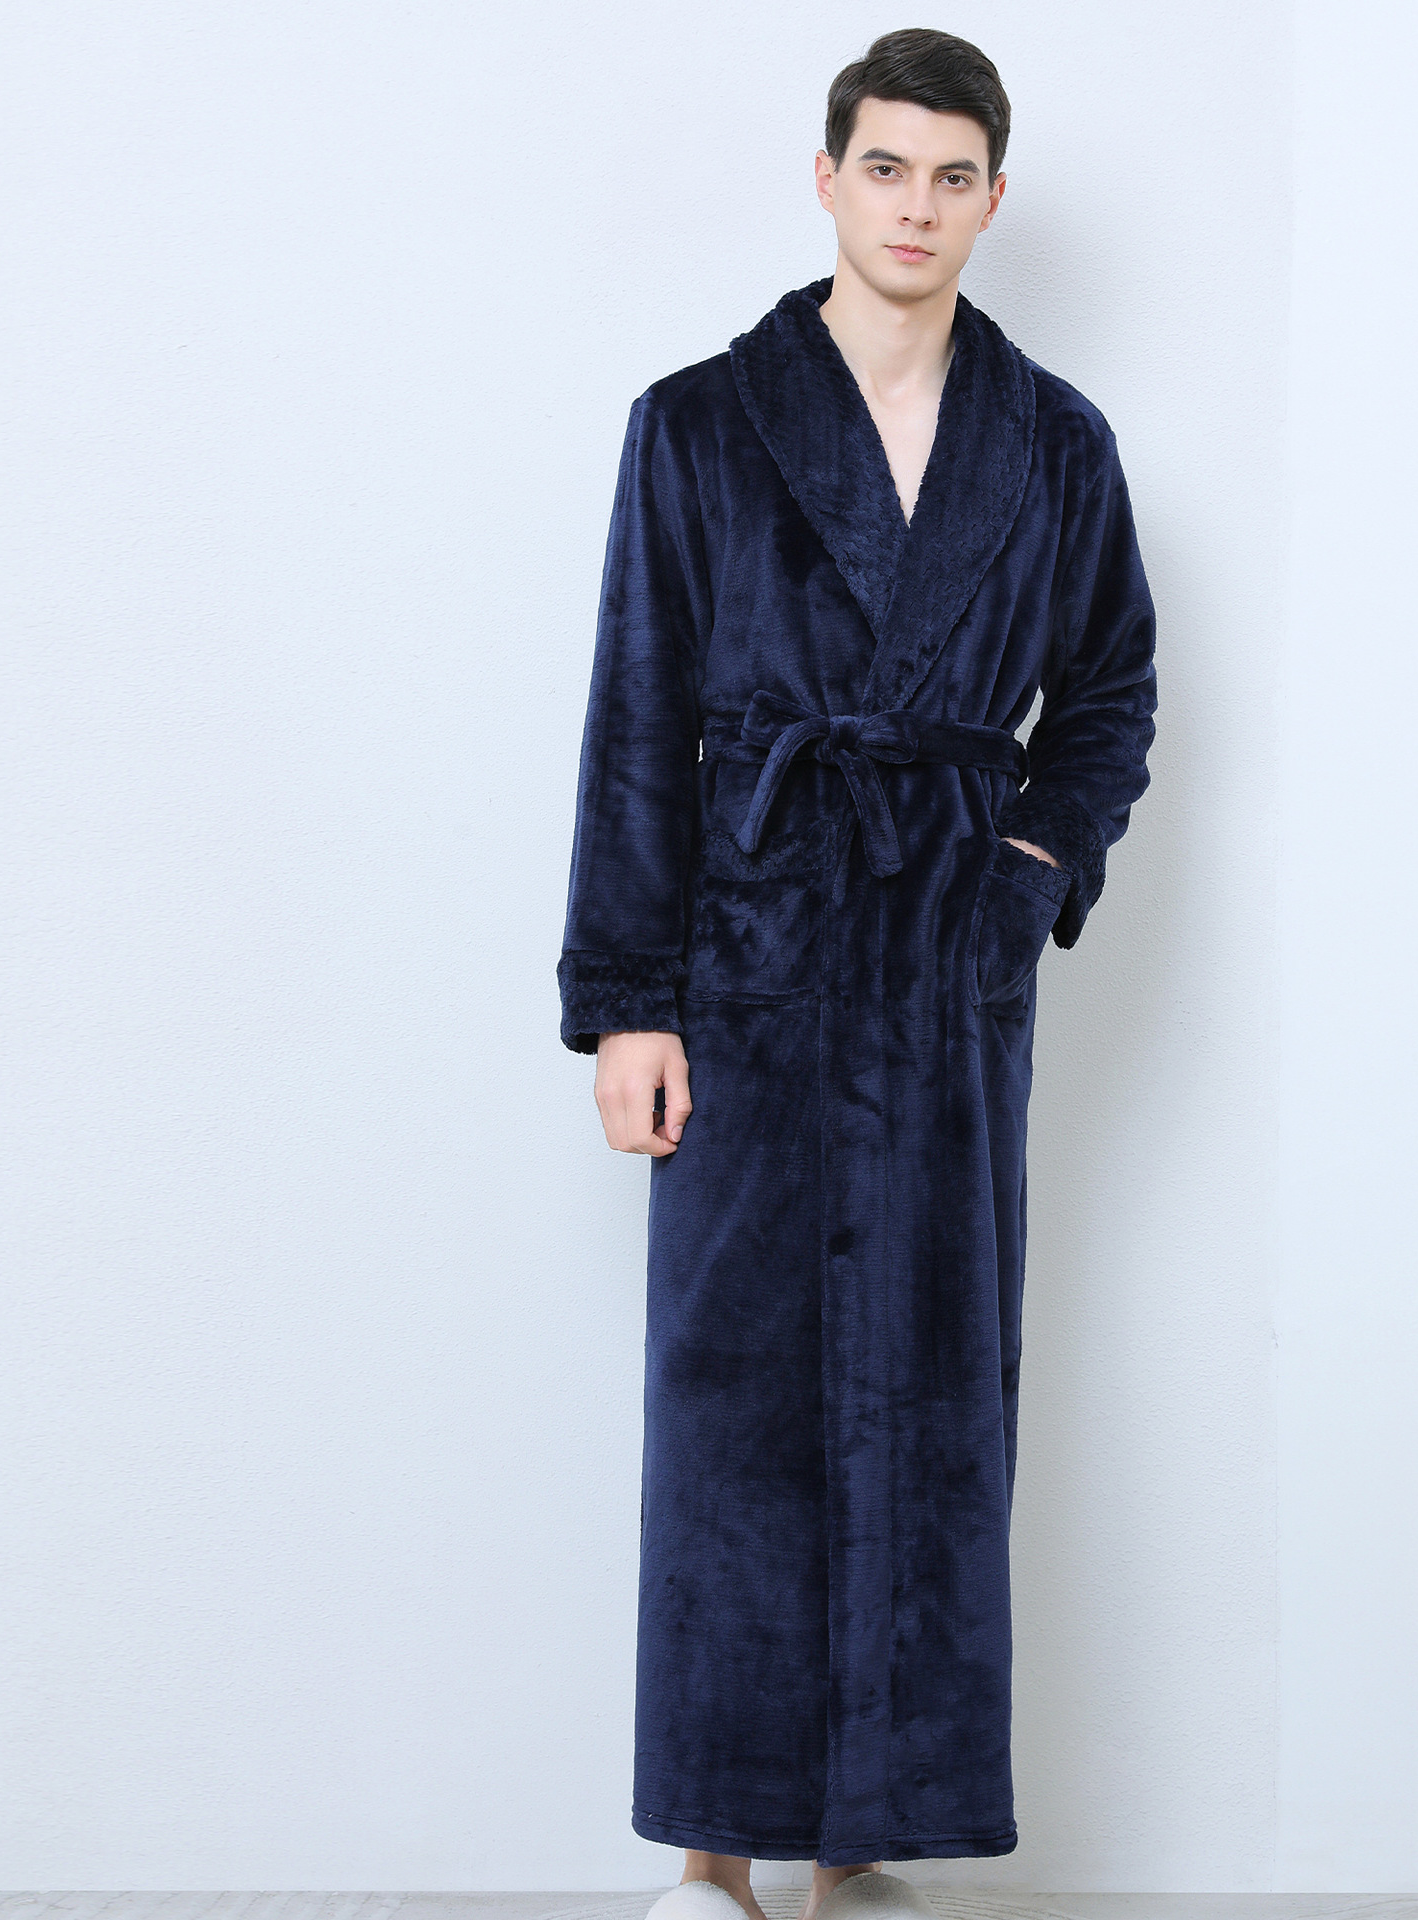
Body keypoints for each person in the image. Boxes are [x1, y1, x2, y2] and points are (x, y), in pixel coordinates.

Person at [556, 27, 1158, 1920]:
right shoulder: (697, 423)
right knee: (729, 1399)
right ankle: (712, 1857)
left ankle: (861, 1850)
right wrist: (628, 999)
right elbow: (640, 718)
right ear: (827, 178)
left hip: (944, 972)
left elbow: (1110, 697)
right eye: (885, 167)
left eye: (951, 175)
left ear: (994, 197)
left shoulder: (1055, 444)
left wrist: (1026, 878)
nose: (916, 206)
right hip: (744, 957)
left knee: (932, 1394)